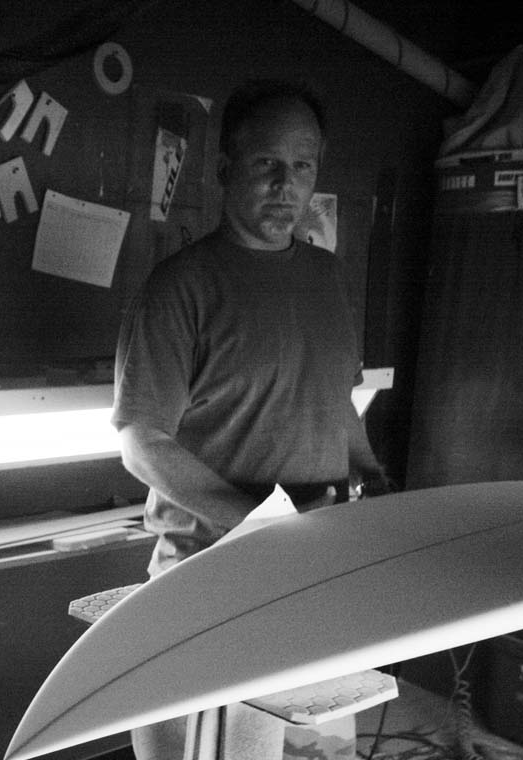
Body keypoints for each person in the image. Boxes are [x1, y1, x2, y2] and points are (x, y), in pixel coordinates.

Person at [112, 77, 391, 579]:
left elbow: (335, 403)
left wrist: (372, 475)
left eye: (302, 166)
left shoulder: (327, 276)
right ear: (225, 169)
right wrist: (259, 524)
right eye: (267, 163)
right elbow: (141, 441)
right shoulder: (180, 286)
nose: (286, 185)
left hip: (317, 559)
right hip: (210, 568)